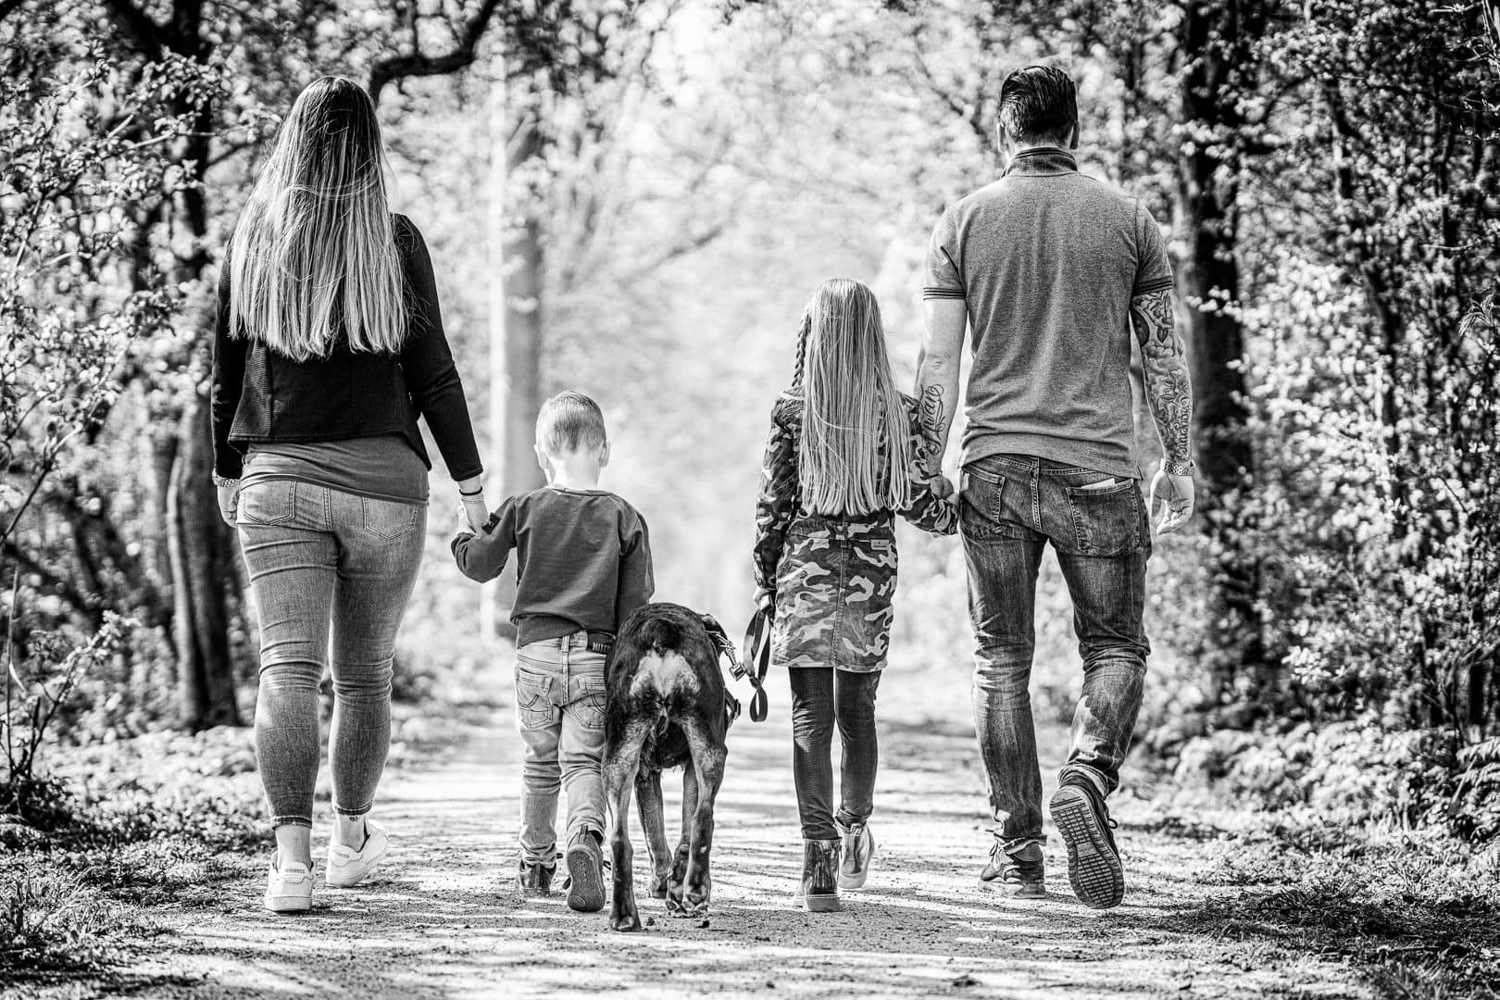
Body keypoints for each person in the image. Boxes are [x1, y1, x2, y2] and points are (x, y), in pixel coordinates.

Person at [915, 65, 1197, 910]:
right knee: (1114, 650)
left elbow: (938, 362)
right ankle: (1087, 776)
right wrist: (1178, 459)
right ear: (1074, 130)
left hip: (995, 466)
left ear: (1005, 132)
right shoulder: (1129, 219)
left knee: (1001, 660)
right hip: (1100, 466)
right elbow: (1164, 358)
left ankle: (1019, 852)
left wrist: (926, 465)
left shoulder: (964, 220)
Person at [210, 77, 488, 914]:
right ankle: (350, 840)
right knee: (364, 676)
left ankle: (291, 866)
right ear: (370, 150)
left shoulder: (253, 239)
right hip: (386, 490)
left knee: (287, 669)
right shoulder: (394, 242)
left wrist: (227, 469)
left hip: (280, 480)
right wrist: (473, 489)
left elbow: (225, 373)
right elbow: (435, 375)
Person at [753, 278, 958, 914]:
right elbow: (918, 503)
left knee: (809, 718)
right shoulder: (897, 414)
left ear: (814, 336)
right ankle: (852, 832)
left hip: (805, 574)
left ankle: (816, 862)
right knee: (858, 713)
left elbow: (773, 508)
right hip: (871, 575)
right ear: (872, 335)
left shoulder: (793, 411)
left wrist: (765, 579)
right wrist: (956, 506)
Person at [452, 390, 654, 913]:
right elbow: (635, 608)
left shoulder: (525, 507)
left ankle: (536, 864)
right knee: (583, 761)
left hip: (536, 655)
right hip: (595, 657)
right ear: (604, 451)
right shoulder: (624, 516)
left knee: (539, 761)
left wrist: (462, 534)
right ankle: (584, 838)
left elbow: (480, 564)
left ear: (543, 454)